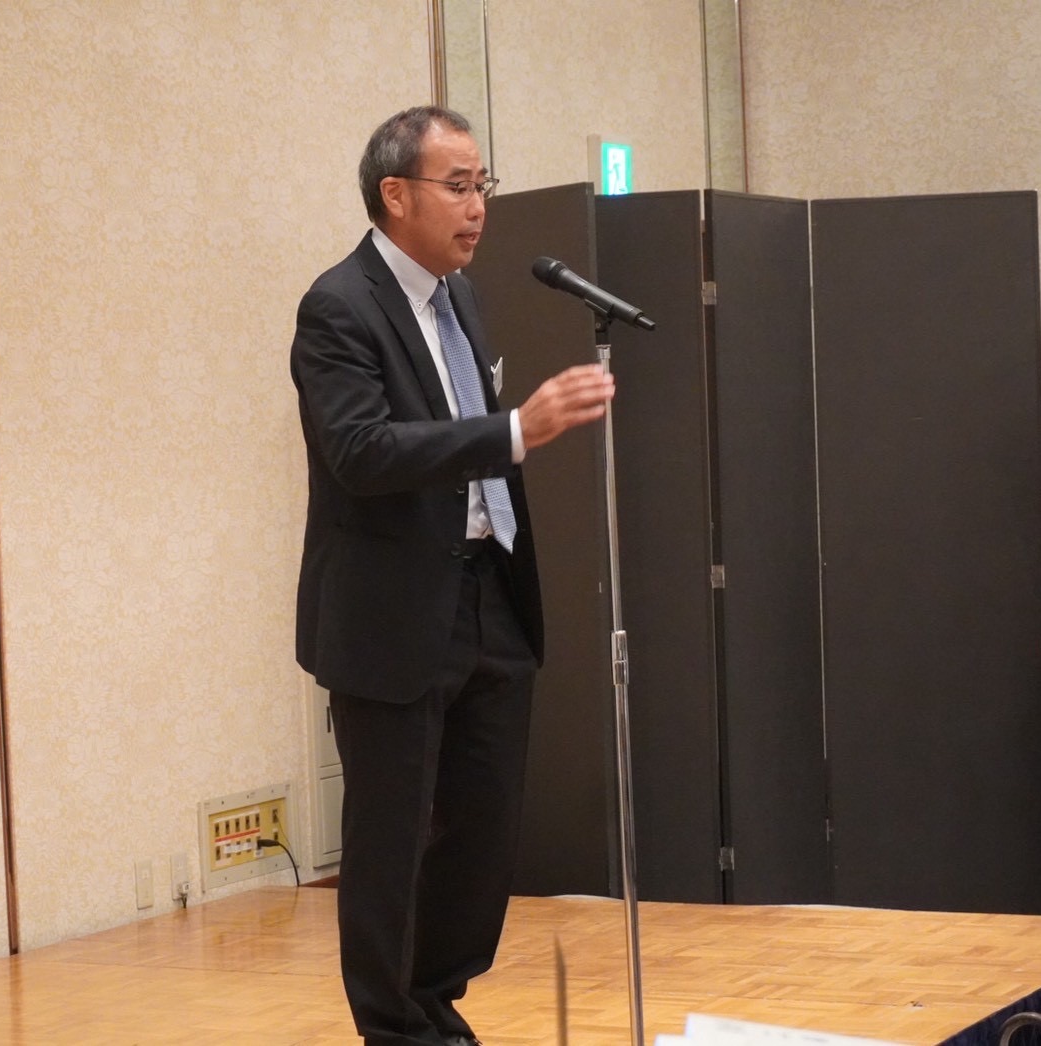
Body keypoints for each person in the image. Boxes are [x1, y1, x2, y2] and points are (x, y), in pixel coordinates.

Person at [290, 106, 615, 1046]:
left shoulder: (459, 297)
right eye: (459, 186)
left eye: (484, 187)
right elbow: (360, 451)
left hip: (489, 595)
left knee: (482, 830)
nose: (478, 207)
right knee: (393, 838)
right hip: (391, 615)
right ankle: (392, 1027)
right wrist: (514, 430)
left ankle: (435, 1001)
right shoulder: (338, 306)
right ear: (395, 195)